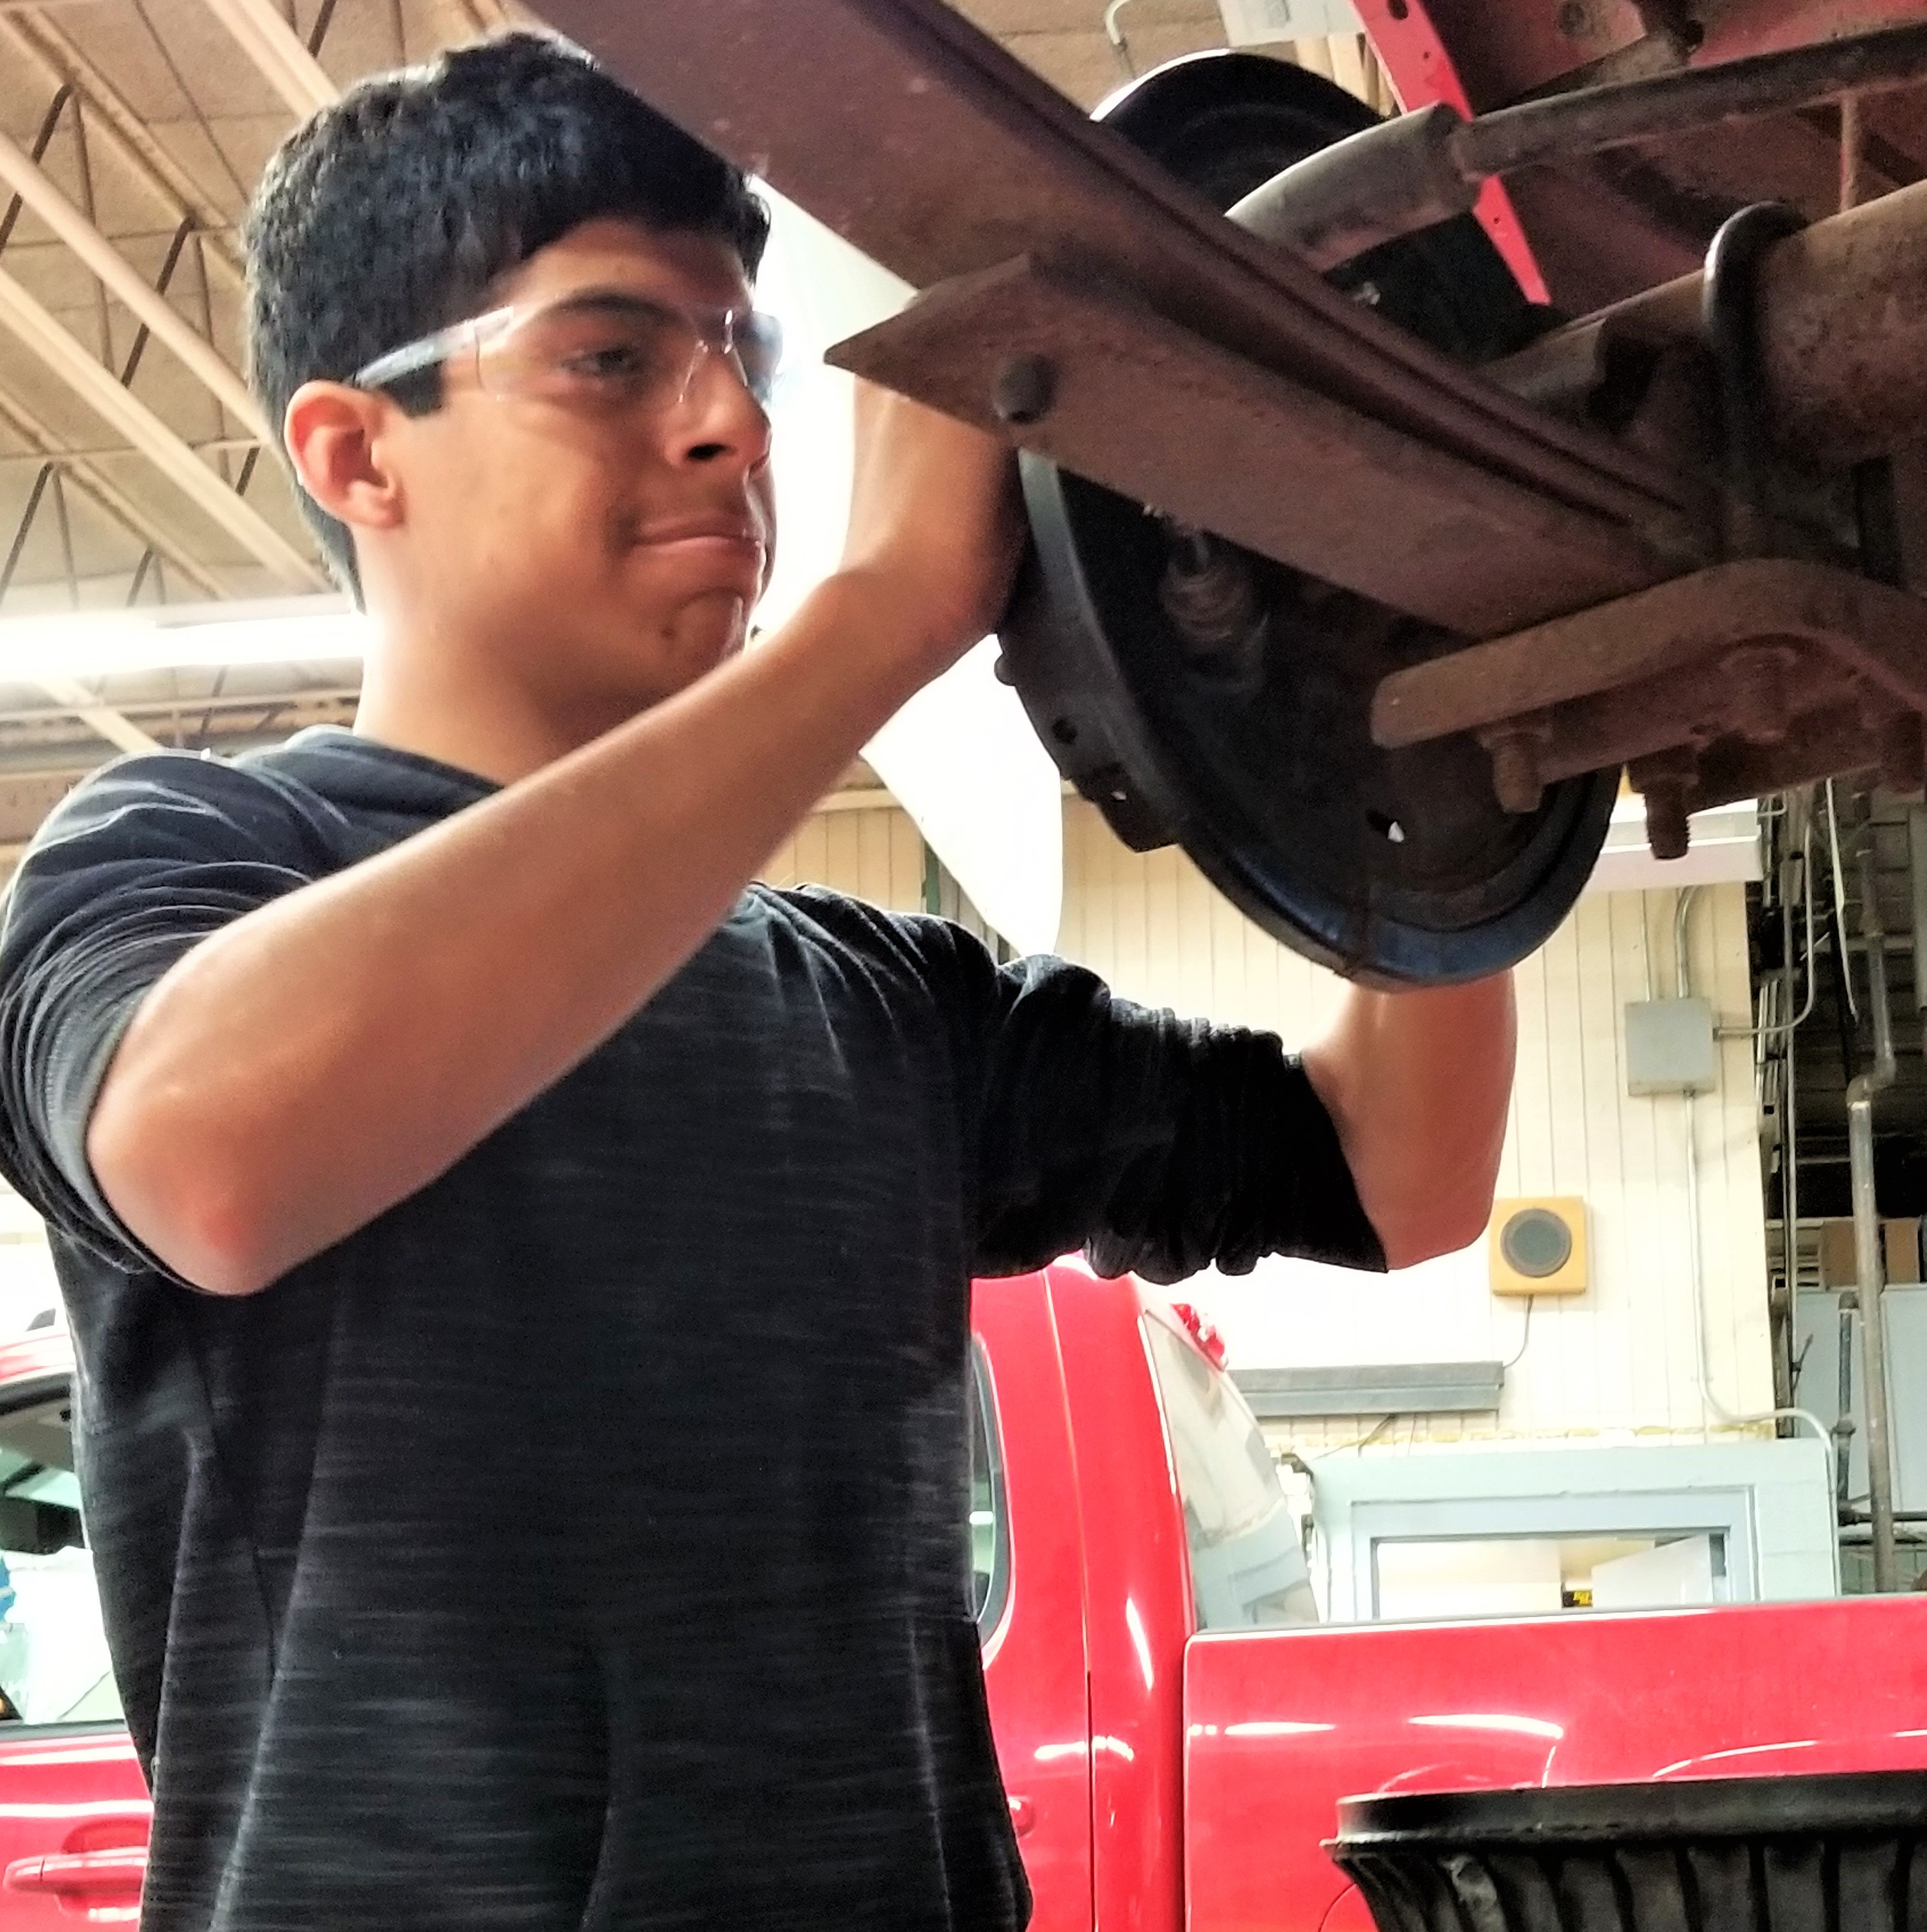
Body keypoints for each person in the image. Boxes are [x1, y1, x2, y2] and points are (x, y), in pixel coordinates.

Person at [0, 32, 1515, 1932]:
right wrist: (875, 617)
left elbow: (1401, 1170)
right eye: (613, 356)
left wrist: (1429, 707)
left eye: (745, 359)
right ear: (354, 449)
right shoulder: (174, 867)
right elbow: (213, 1162)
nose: (729, 422)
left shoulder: (877, 1004)